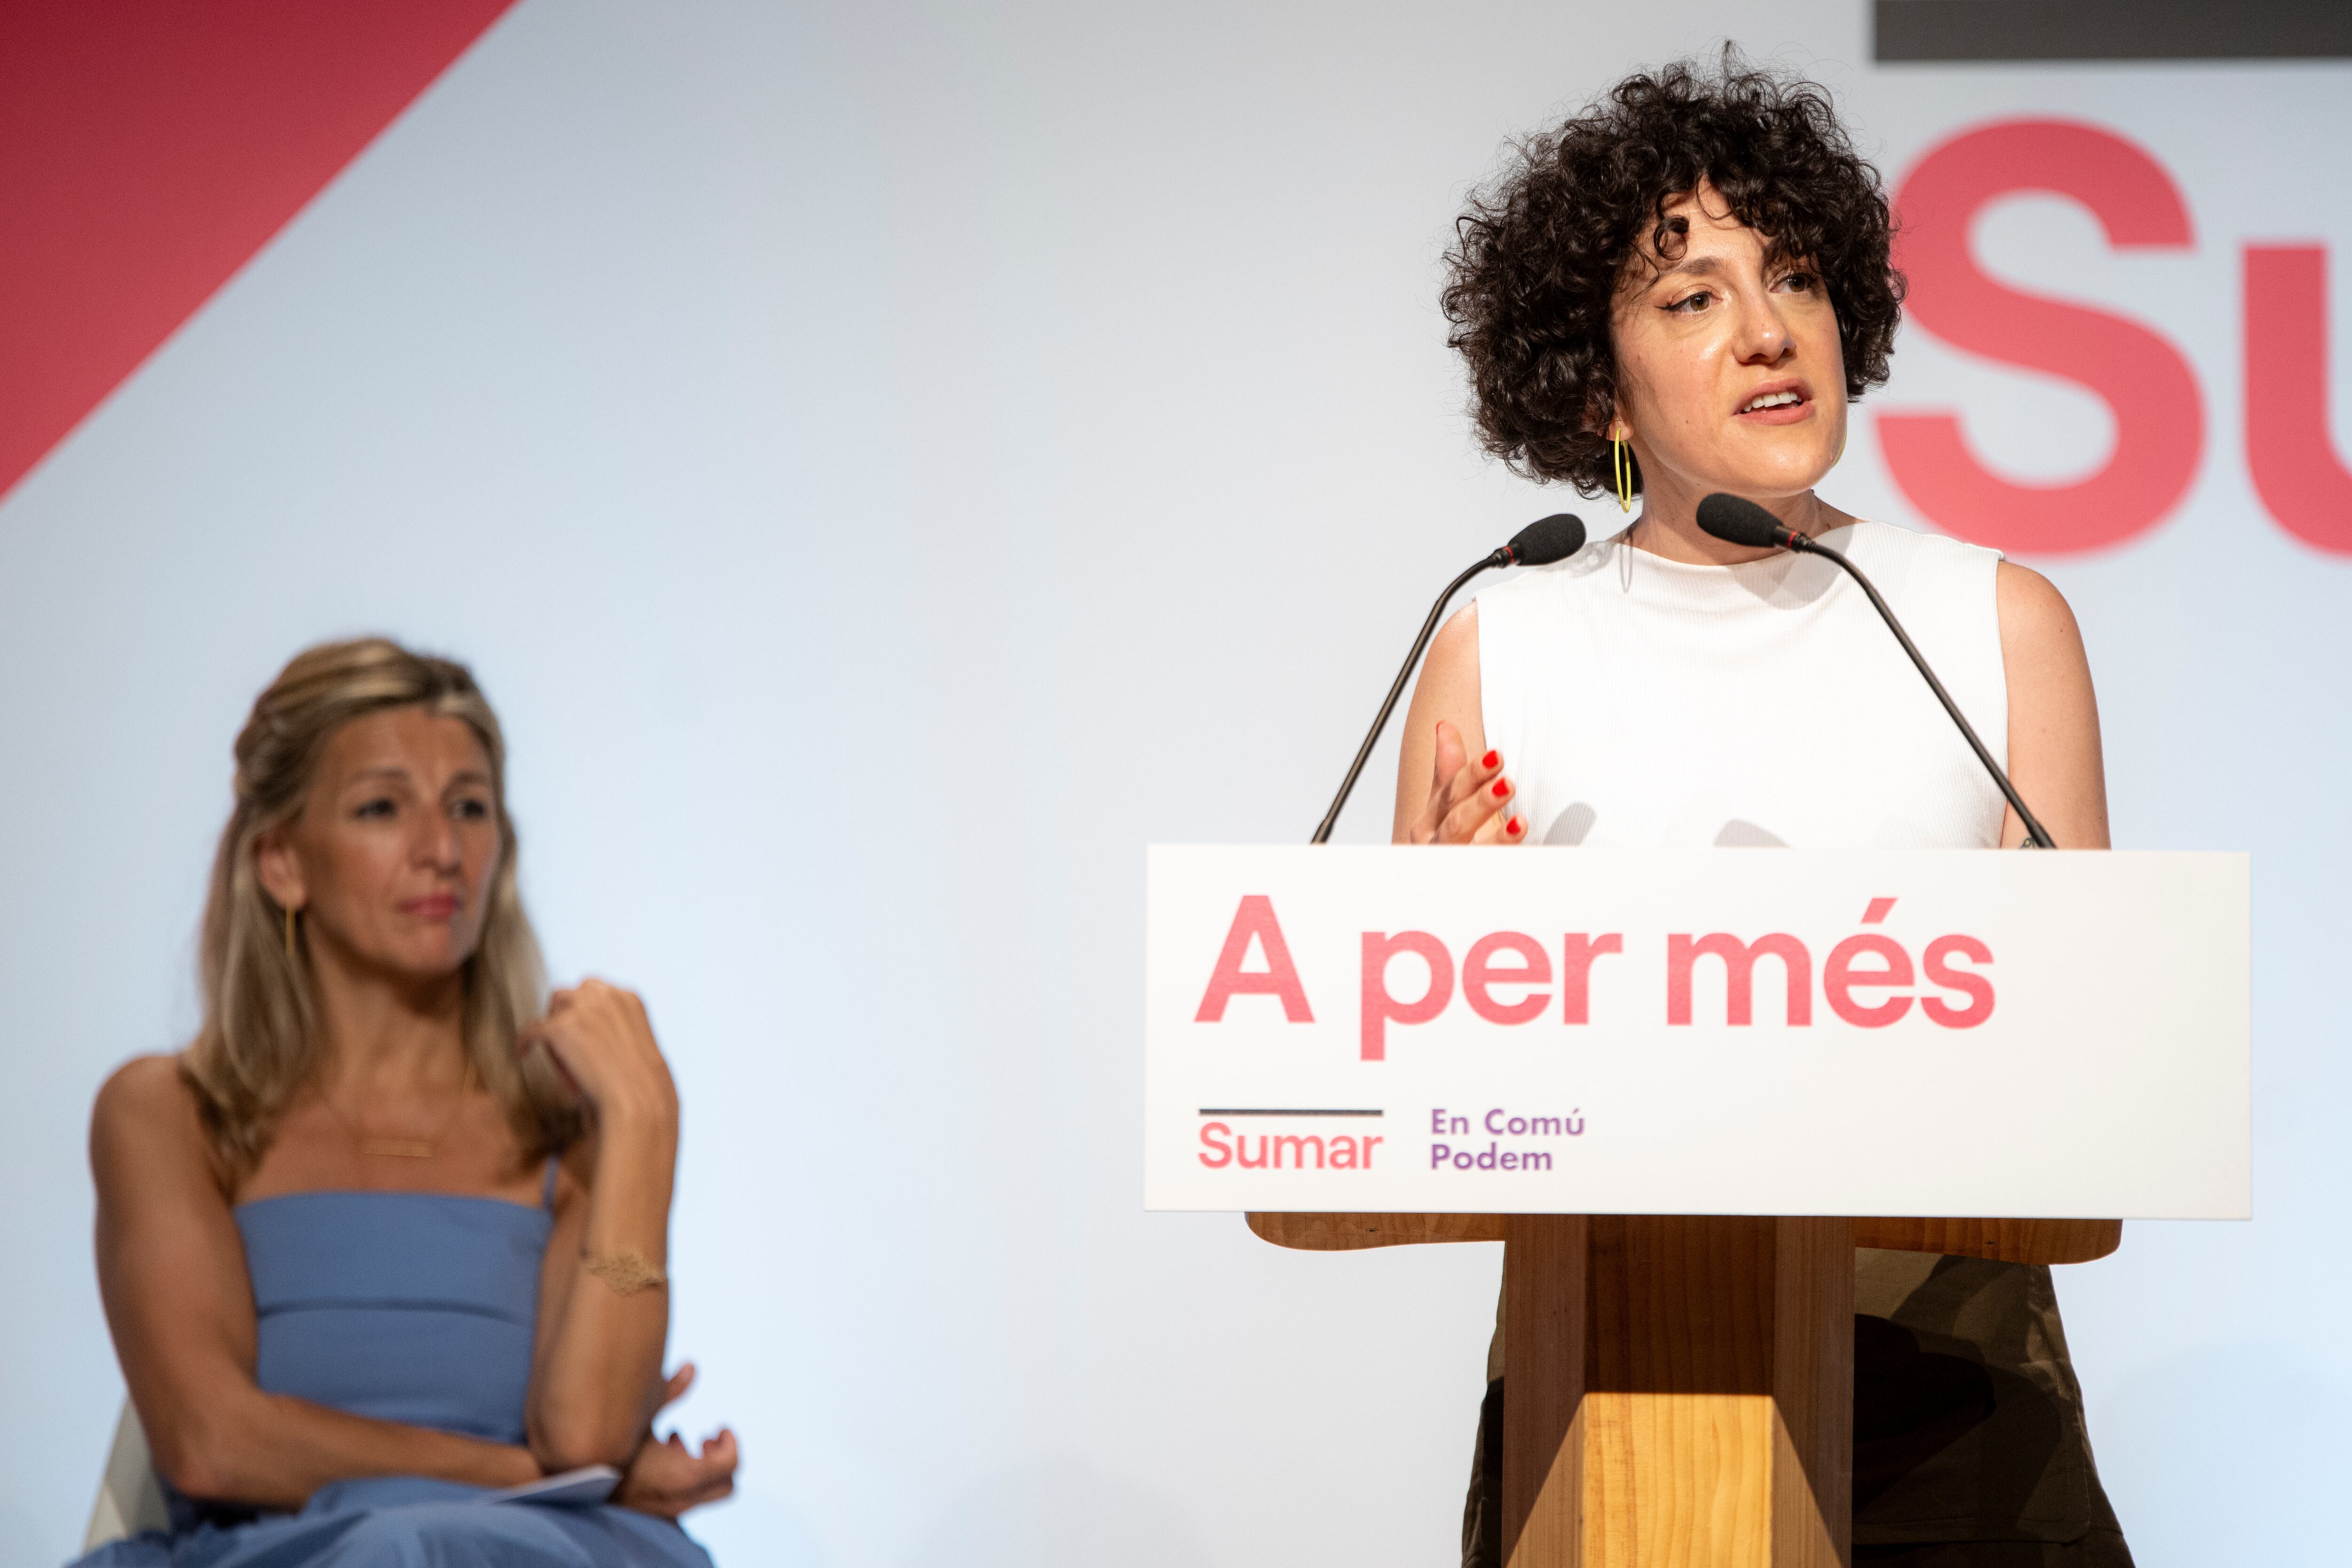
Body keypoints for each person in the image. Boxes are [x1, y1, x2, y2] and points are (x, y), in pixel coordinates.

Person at [1409, 57, 2131, 1568]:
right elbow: (1423, 1083)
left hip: (1949, 1379)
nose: (1764, 328)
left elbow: (2087, 1058)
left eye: (1793, 276)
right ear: (1595, 381)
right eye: (1691, 298)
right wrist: (1434, 948)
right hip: (1600, 1373)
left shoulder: (1991, 620)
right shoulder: (1503, 638)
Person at [78, 639, 735, 1567]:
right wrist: (525, 1474)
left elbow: (584, 1436)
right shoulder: (168, 1112)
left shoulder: (571, 1125)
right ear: (282, 864)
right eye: (382, 807)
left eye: (469, 806)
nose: (440, 849)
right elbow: (210, 1440)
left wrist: (647, 1124)